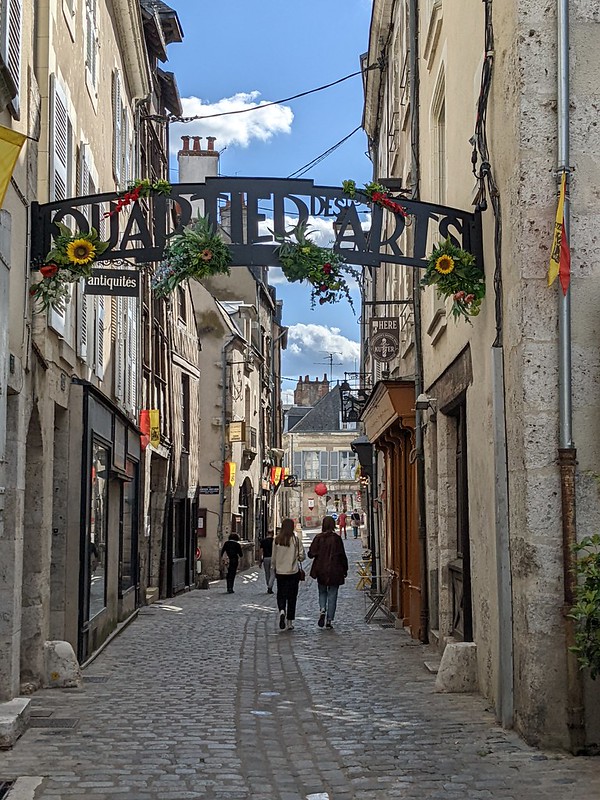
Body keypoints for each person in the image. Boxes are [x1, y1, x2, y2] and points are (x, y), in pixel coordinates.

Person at [308, 516, 348, 629]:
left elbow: (311, 554)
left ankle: (322, 609)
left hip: (321, 570)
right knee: (332, 594)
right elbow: (342, 555)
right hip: (335, 570)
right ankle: (329, 620)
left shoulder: (318, 538)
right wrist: (345, 569)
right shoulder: (337, 539)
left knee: (322, 592)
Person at [272, 518, 305, 631]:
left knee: (281, 593)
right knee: (292, 597)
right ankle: (289, 622)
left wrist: (274, 568)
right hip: (293, 572)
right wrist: (296, 557)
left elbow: (274, 557)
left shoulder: (277, 540)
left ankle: (282, 610)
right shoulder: (295, 540)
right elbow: (302, 556)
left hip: (280, 572)